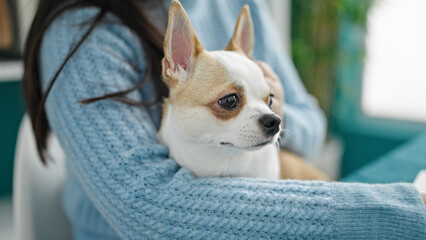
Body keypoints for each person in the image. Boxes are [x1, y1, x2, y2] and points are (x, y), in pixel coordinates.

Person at [23, 0, 425, 239]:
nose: (265, 115)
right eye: (229, 101)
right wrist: (398, 211)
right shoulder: (81, 35)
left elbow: (309, 120)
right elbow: (149, 213)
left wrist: (275, 104)